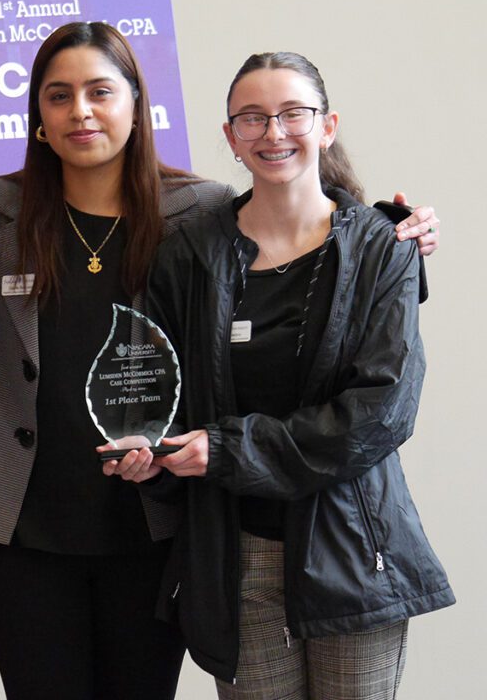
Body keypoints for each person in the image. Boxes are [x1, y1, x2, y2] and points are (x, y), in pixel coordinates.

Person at [0, 22, 441, 699]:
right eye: (58, 96)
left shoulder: (198, 212)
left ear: (136, 105)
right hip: (24, 529)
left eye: (100, 91)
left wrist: (390, 225)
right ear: (36, 117)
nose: (80, 111)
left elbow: (307, 223)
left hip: (155, 524)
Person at [139, 52, 454, 699]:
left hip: (351, 548)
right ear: (230, 136)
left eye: (292, 114)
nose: (274, 132)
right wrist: (150, 449)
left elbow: (382, 411)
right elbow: (158, 383)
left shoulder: (380, 247)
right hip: (237, 552)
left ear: (327, 125)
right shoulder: (191, 255)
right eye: (252, 118)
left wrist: (228, 449)